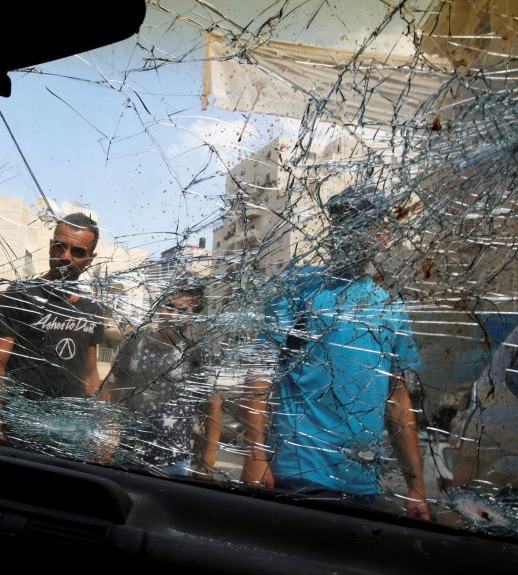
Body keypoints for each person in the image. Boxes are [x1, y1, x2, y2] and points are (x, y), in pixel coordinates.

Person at [240, 186, 430, 521]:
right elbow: (259, 371)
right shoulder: (299, 289)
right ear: (334, 229)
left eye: (368, 223)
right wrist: (255, 454)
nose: (356, 232)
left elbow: (398, 400)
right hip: (298, 473)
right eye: (345, 221)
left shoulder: (391, 307)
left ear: (383, 233)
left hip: (363, 481)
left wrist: (416, 487)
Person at [0, 212, 107, 445]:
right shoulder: (21, 294)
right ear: (51, 247)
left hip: (71, 435)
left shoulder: (91, 307)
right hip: (19, 431)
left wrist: (96, 433)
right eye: (60, 246)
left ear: (90, 258)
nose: (66, 257)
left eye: (78, 251)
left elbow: (89, 374)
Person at [103, 279, 222, 478]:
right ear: (158, 306)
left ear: (192, 318)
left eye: (183, 311)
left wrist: (207, 463)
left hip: (175, 463)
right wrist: (105, 434)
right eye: (168, 306)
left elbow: (213, 408)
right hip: (127, 456)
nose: (173, 315)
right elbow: (110, 387)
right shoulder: (134, 344)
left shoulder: (196, 355)